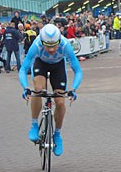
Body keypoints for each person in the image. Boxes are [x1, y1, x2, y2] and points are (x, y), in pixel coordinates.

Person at [18, 24, 83, 156]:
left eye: (55, 45)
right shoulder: (36, 46)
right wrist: (25, 87)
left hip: (58, 67)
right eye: (48, 45)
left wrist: (73, 89)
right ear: (42, 42)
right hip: (41, 64)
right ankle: (34, 125)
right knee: (37, 89)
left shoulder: (65, 45)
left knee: (60, 102)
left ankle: (57, 134)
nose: (52, 49)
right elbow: (23, 69)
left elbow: (78, 71)